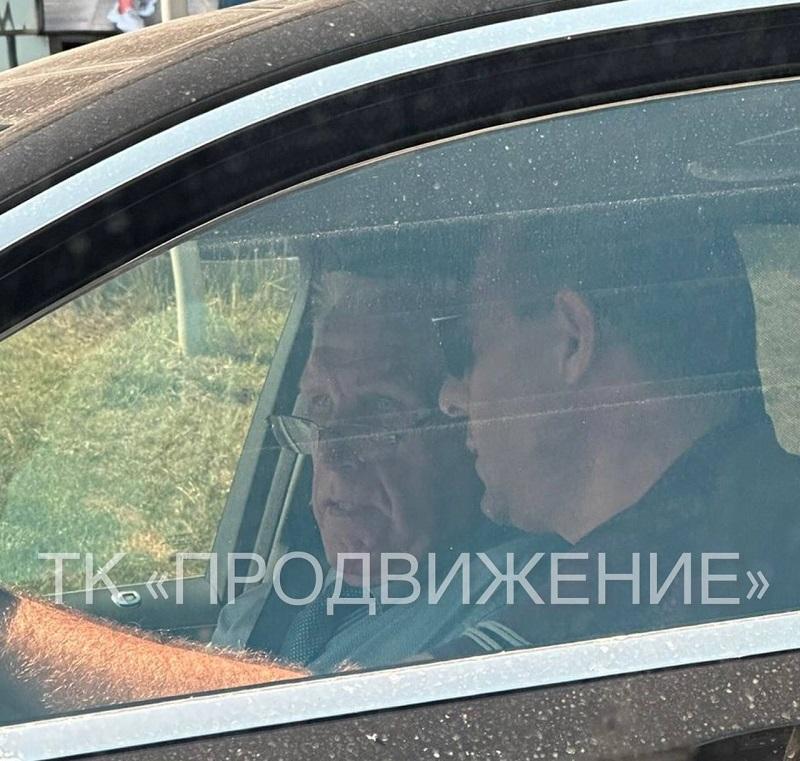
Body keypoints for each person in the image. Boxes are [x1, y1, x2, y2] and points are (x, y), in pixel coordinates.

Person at [0, 267, 495, 719]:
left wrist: (14, 635)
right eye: (320, 405)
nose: (332, 451)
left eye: (381, 410)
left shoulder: (509, 619)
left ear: (468, 426)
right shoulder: (289, 593)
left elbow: (328, 734)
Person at [432, 214, 800, 657]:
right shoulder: (760, 542)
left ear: (573, 340)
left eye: (469, 350)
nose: (449, 398)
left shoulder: (555, 652)